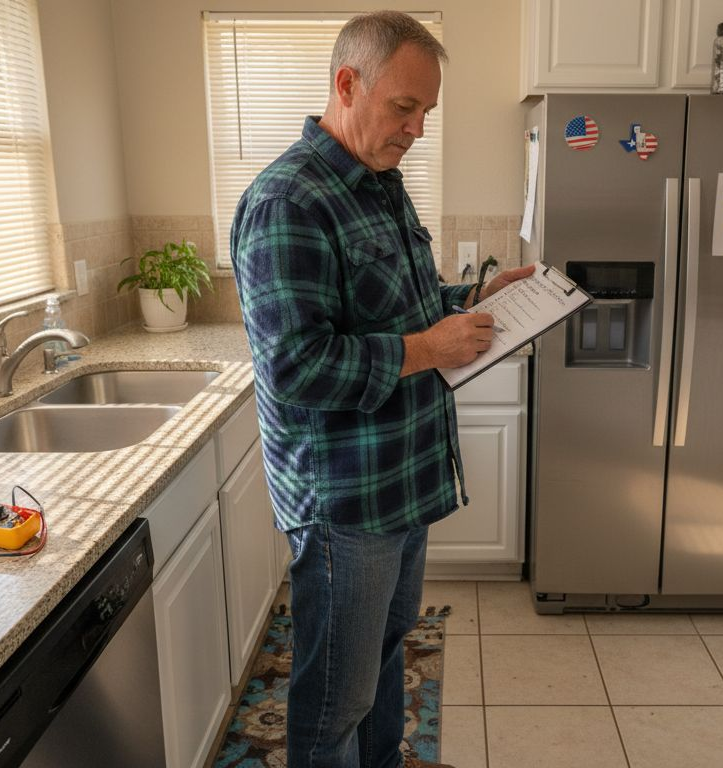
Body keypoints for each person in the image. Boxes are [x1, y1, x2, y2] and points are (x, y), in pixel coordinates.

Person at [230, 11, 534, 768]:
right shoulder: (288, 203)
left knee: (385, 660)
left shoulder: (381, 183)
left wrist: (478, 299)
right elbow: (297, 367)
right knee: (335, 699)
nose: (417, 129)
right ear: (347, 85)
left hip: (403, 481)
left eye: (426, 112)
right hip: (346, 501)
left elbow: (407, 304)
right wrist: (429, 347)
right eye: (405, 107)